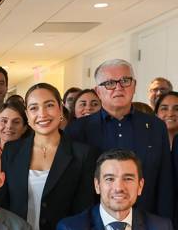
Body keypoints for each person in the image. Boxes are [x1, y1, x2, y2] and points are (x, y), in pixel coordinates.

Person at [0, 83, 97, 230]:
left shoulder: (82, 153)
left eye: (49, 105)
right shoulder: (12, 151)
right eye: (34, 108)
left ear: (61, 109)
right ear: (27, 115)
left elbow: (84, 209)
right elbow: (3, 204)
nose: (42, 114)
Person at [65, 59, 173, 219]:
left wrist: (166, 225)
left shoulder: (156, 126)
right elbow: (71, 185)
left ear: (134, 85)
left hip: (147, 223)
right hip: (93, 226)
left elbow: (165, 181)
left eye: (125, 81)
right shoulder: (78, 130)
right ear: (98, 91)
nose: (118, 87)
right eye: (109, 83)